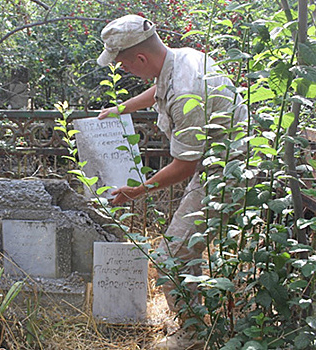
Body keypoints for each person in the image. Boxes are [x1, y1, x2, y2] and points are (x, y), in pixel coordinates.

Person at [96, 14, 247, 349]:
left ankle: (193, 337)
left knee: (171, 257)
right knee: (183, 251)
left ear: (140, 58)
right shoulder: (182, 58)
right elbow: (156, 90)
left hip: (228, 175)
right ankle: (201, 323)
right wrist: (121, 108)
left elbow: (183, 166)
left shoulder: (184, 90)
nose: (122, 70)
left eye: (122, 64)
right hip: (219, 166)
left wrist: (137, 191)